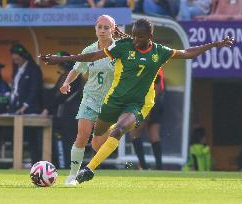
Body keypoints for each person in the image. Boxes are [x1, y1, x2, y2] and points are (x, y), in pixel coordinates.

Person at [40, 18, 234, 185]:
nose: (135, 39)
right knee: (97, 137)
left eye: (139, 36)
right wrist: (61, 60)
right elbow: (93, 56)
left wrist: (215, 44)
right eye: (133, 35)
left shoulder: (160, 52)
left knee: (118, 130)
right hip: (113, 100)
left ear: (150, 36)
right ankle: (99, 155)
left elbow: (187, 53)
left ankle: (88, 170)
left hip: (136, 104)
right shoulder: (123, 46)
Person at [49, 15, 129, 185]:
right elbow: (76, 68)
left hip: (110, 103)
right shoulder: (89, 50)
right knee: (81, 136)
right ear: (95, 29)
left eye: (106, 27)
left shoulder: (120, 50)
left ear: (113, 29)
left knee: (97, 145)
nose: (102, 30)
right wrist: (66, 83)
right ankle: (72, 175)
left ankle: (95, 156)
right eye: (99, 27)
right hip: (90, 98)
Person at [41, 51, 83, 169]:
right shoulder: (64, 75)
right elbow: (54, 93)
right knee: (64, 142)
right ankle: (63, 165)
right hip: (65, 115)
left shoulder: (73, 75)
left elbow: (61, 96)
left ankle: (68, 167)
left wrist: (48, 109)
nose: (58, 66)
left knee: (69, 142)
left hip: (71, 115)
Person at [9, 43, 44, 164]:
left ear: (23, 56)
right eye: (14, 59)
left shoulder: (34, 69)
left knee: (32, 139)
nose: (16, 61)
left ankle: (36, 163)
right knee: (15, 137)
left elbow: (34, 90)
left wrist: (25, 105)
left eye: (17, 59)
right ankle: (17, 162)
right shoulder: (17, 70)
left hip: (31, 109)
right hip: (16, 109)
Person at [129, 68, 165, 170]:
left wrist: (148, 106)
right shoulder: (157, 63)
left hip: (148, 102)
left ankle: (144, 167)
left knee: (134, 134)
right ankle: (159, 167)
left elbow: (156, 86)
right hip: (157, 101)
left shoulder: (150, 64)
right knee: (154, 134)